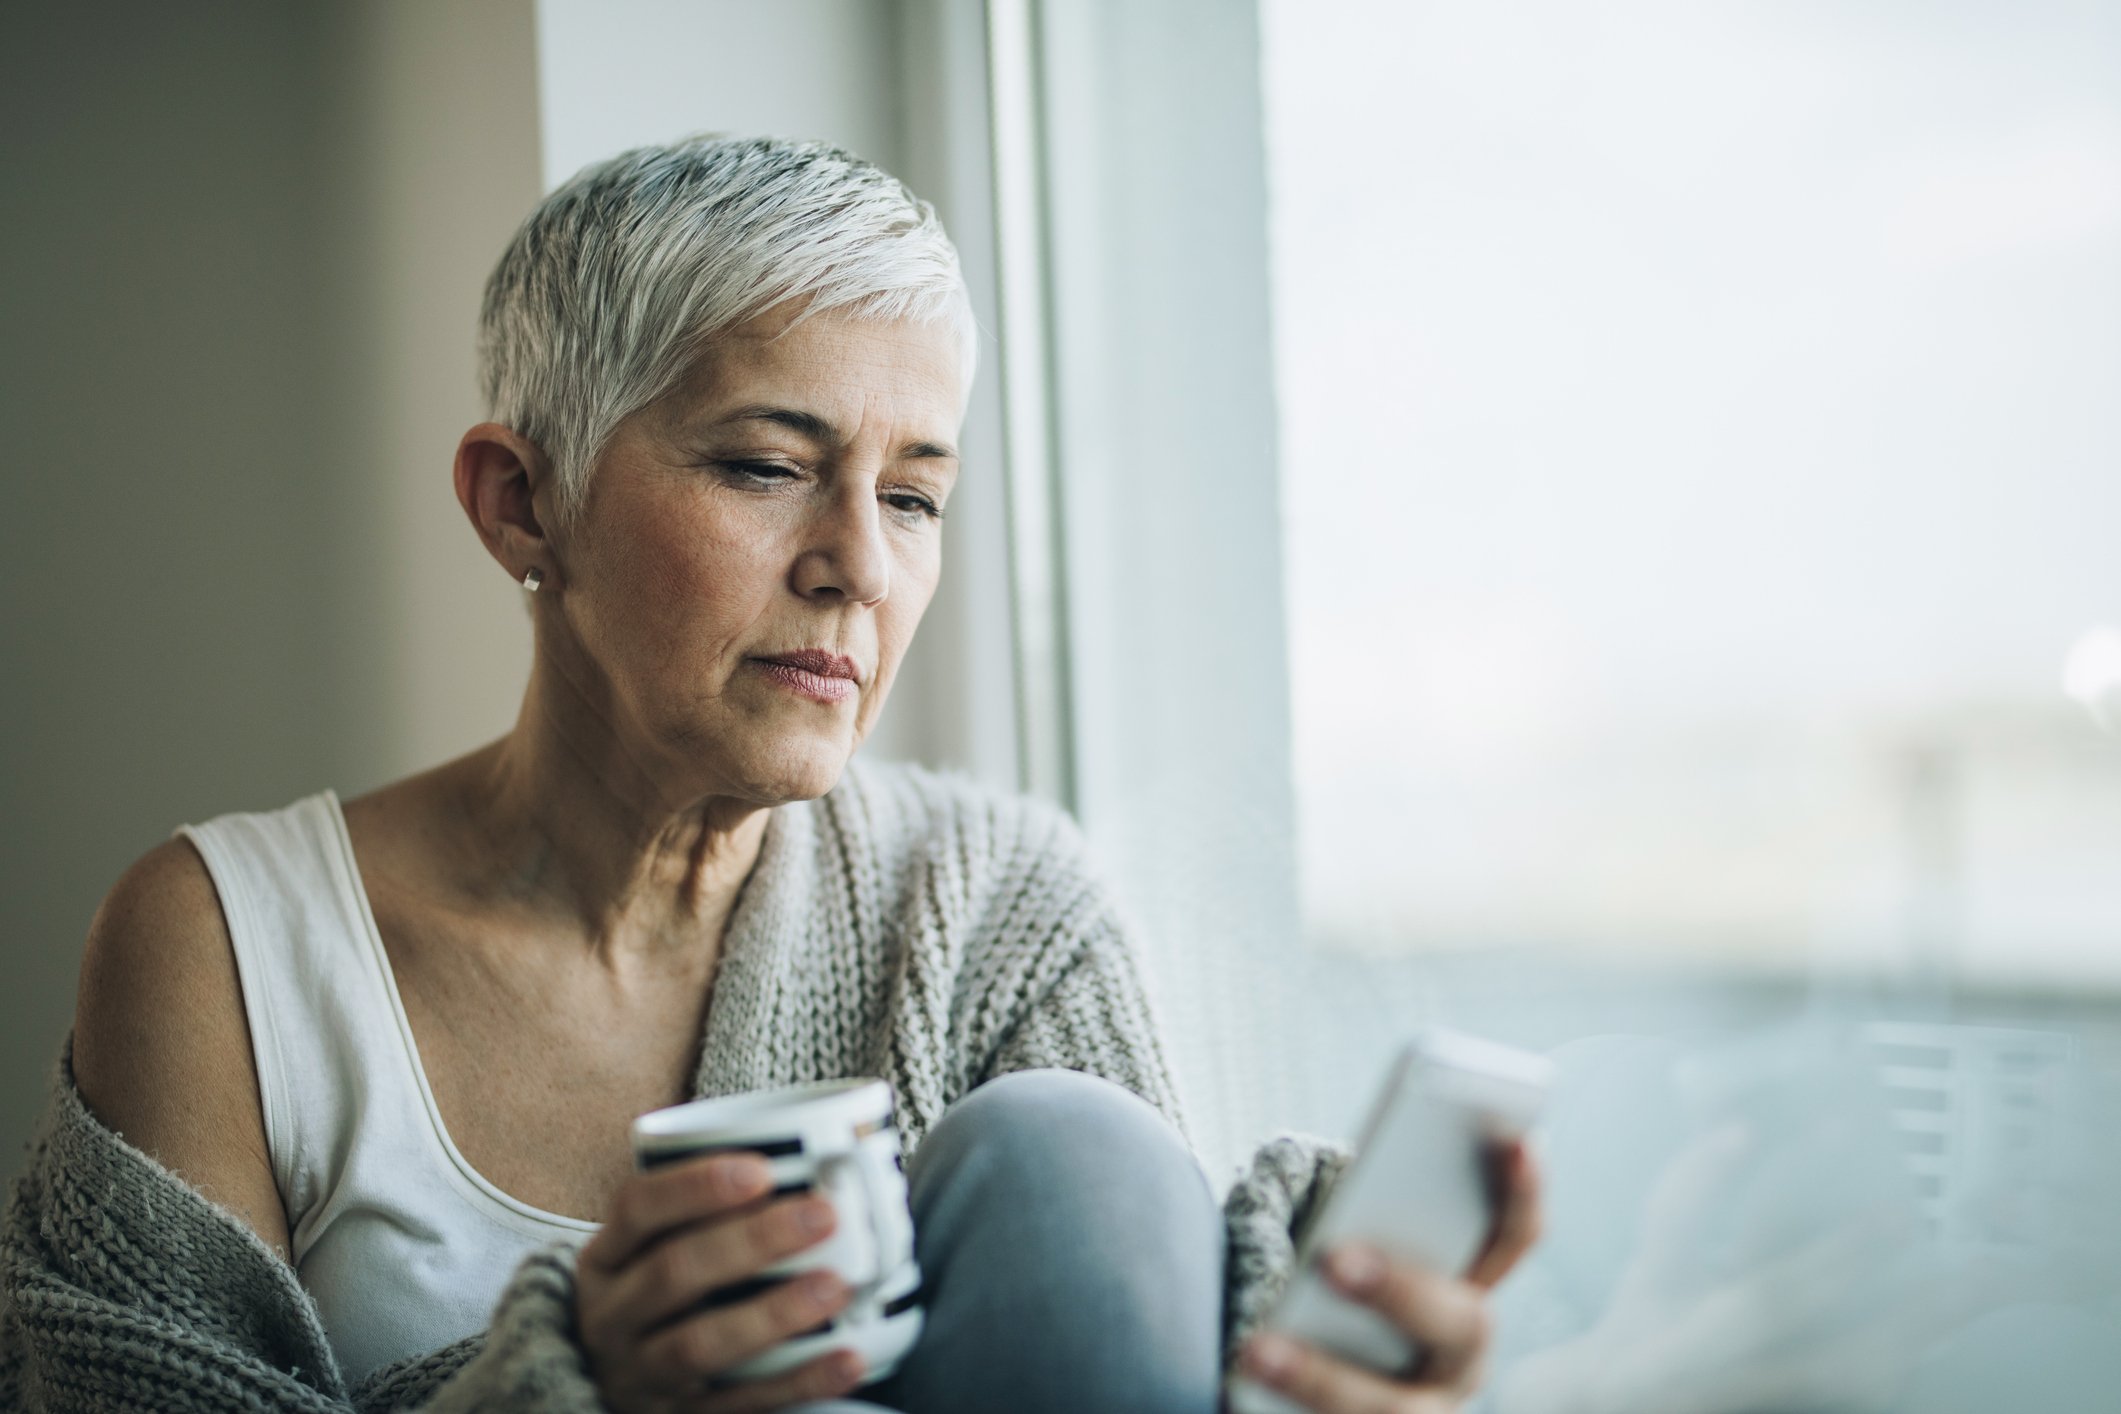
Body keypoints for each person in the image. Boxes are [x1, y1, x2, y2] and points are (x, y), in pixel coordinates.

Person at [4, 134, 1538, 1414]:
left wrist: (1312, 1349)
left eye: (917, 495)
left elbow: (1117, 1323)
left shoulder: (998, 897)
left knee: (1068, 1146)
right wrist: (568, 1379)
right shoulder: (220, 944)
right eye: (764, 465)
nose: (859, 569)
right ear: (521, 502)